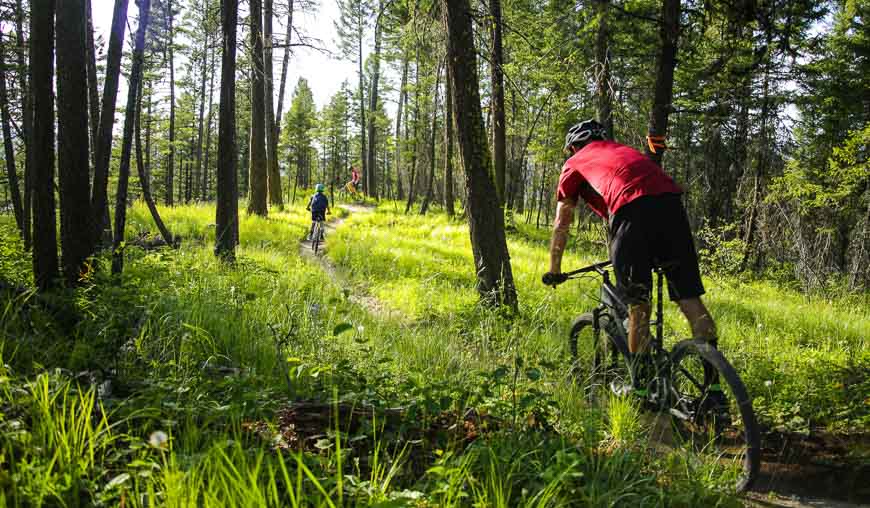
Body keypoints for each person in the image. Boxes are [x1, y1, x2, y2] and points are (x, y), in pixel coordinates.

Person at [542, 119, 719, 390]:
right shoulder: (623, 153)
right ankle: (713, 389)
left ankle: (640, 389)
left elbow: (562, 222)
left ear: (575, 146)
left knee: (638, 306)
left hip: (633, 212)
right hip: (672, 208)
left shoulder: (575, 162)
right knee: (690, 300)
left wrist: (555, 269)